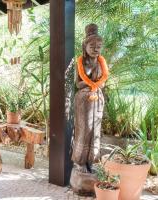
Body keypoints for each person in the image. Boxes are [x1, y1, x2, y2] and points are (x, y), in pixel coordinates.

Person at [71, 23, 108, 173]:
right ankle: (80, 161)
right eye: (92, 45)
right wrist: (90, 84)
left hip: (97, 99)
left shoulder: (101, 63)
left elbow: (104, 82)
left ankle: (91, 160)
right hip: (84, 100)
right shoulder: (81, 62)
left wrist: (97, 85)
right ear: (85, 47)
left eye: (99, 46)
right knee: (84, 129)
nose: (96, 49)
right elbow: (78, 84)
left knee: (95, 130)